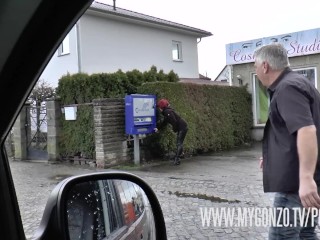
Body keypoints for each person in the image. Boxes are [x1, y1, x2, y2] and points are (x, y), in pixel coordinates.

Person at [254, 43, 320, 239]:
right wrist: (272, 157)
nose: (256, 72)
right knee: (306, 234)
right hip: (308, 182)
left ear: (265, 66)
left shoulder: (287, 88)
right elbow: (290, 133)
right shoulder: (299, 82)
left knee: (281, 236)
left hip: (296, 186)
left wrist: (306, 179)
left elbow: (306, 130)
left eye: (256, 66)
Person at [154, 98, 188, 165]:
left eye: (159, 107)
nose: (159, 109)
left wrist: (174, 129)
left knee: (179, 143)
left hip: (182, 127)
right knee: (179, 142)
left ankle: (177, 159)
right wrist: (158, 128)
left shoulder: (167, 112)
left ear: (162, 107)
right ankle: (180, 155)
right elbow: (165, 122)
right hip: (182, 127)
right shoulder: (166, 112)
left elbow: (174, 121)